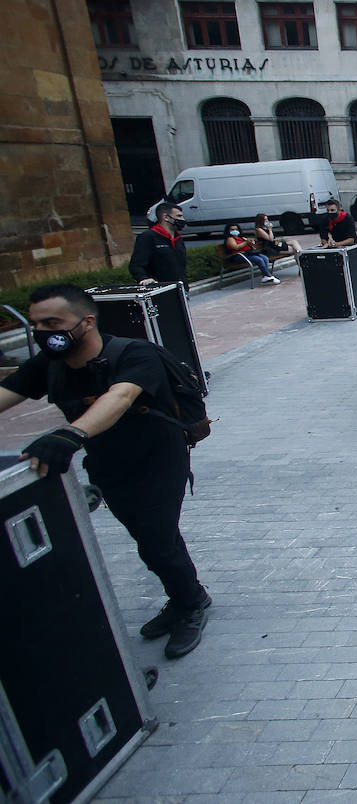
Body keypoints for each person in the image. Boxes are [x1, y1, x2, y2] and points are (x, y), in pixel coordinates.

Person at [0, 285, 213, 658]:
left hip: (158, 459)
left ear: (86, 322)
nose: (43, 333)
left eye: (53, 322)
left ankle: (191, 603)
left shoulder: (135, 354)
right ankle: (184, 594)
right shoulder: (50, 365)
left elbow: (121, 396)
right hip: (107, 462)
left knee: (157, 538)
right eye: (36, 324)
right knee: (146, 537)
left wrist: (70, 433)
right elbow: (7, 392)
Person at [129, 202, 187, 286]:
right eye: (179, 216)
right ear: (166, 217)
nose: (182, 219)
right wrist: (143, 278)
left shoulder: (178, 238)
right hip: (160, 290)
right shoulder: (148, 237)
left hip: (180, 288)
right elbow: (136, 265)